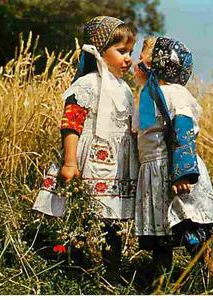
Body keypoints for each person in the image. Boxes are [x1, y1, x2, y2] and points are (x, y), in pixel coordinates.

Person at [32, 16, 138, 283]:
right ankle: (73, 267)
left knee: (111, 219)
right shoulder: (87, 84)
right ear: (99, 50)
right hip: (89, 161)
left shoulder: (123, 89)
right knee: (82, 215)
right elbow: (71, 124)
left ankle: (111, 271)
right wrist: (69, 162)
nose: (128, 59)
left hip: (114, 167)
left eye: (131, 53)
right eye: (121, 51)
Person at [132, 36, 213, 281]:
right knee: (161, 234)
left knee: (189, 226)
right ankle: (162, 283)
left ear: (158, 64)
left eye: (144, 60)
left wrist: (182, 172)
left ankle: (211, 278)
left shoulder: (174, 94)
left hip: (173, 171)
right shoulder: (146, 96)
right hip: (153, 173)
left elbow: (182, 129)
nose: (137, 64)